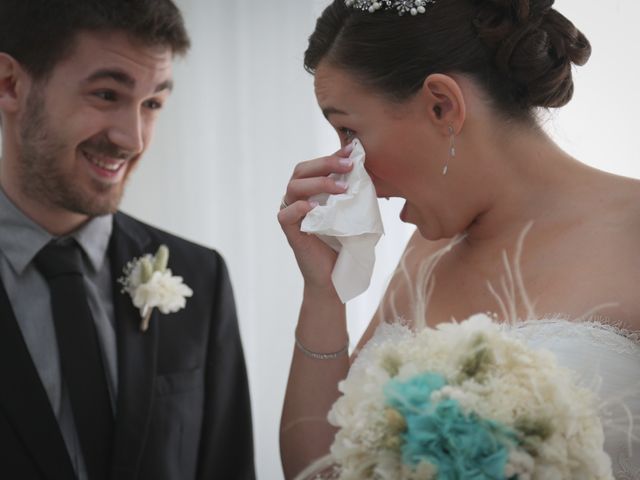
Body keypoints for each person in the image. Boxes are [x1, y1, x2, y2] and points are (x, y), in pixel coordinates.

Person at [278, 0, 640, 478]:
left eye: (350, 131)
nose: (349, 173)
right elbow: (319, 470)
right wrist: (324, 294)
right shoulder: (425, 255)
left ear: (441, 105)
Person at [0, 1, 254, 479]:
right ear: (10, 84)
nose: (133, 139)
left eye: (153, 103)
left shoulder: (201, 278)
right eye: (105, 94)